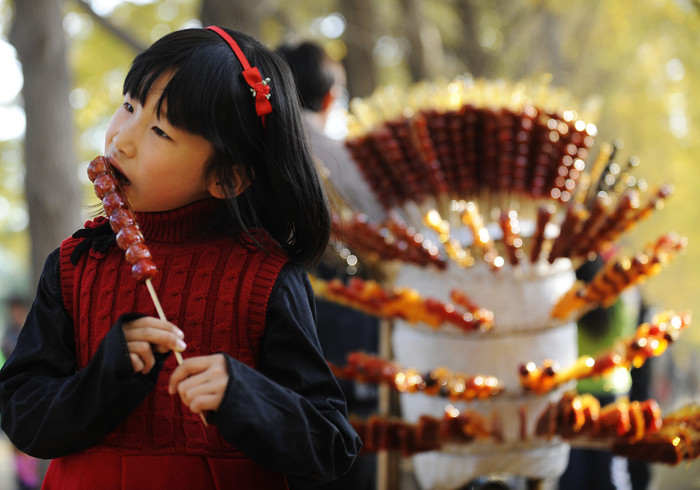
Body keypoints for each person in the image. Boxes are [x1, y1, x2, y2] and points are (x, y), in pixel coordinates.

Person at [0, 27, 360, 490]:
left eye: (159, 131)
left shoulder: (265, 279)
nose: (121, 140)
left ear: (228, 178)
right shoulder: (76, 265)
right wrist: (104, 377)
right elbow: (22, 415)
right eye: (128, 105)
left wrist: (245, 396)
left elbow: (331, 444)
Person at [276, 40, 382, 490]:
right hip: (346, 315)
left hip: (270, 315)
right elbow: (394, 236)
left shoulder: (246, 156)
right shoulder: (351, 161)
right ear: (330, 97)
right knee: (348, 445)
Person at [558, 255, 641, 490]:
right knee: (611, 468)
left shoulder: (571, 303)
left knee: (573, 472)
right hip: (614, 391)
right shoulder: (623, 299)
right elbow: (630, 336)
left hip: (576, 395)